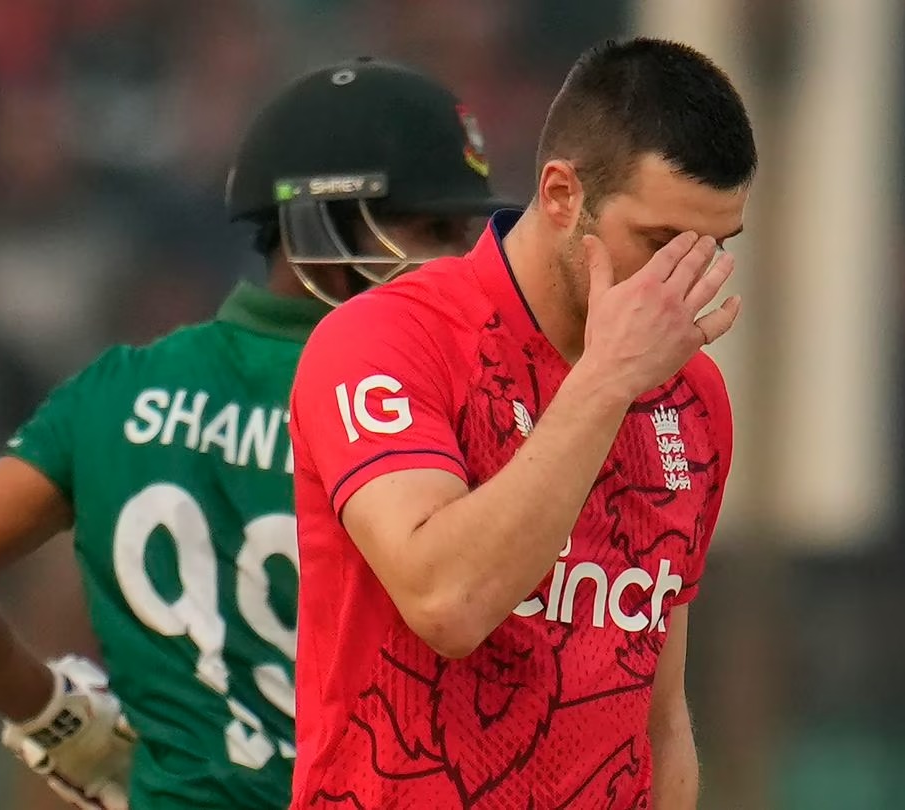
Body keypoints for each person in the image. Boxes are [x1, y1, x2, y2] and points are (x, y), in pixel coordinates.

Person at [0, 57, 507, 810]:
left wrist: (64, 723)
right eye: (436, 229)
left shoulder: (115, 390)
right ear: (323, 224)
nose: (469, 262)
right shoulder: (429, 413)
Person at [287, 38, 755, 808]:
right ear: (564, 195)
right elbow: (447, 602)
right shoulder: (389, 340)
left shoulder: (693, 397)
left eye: (715, 248)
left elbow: (660, 718)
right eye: (661, 243)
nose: (682, 282)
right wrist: (606, 381)